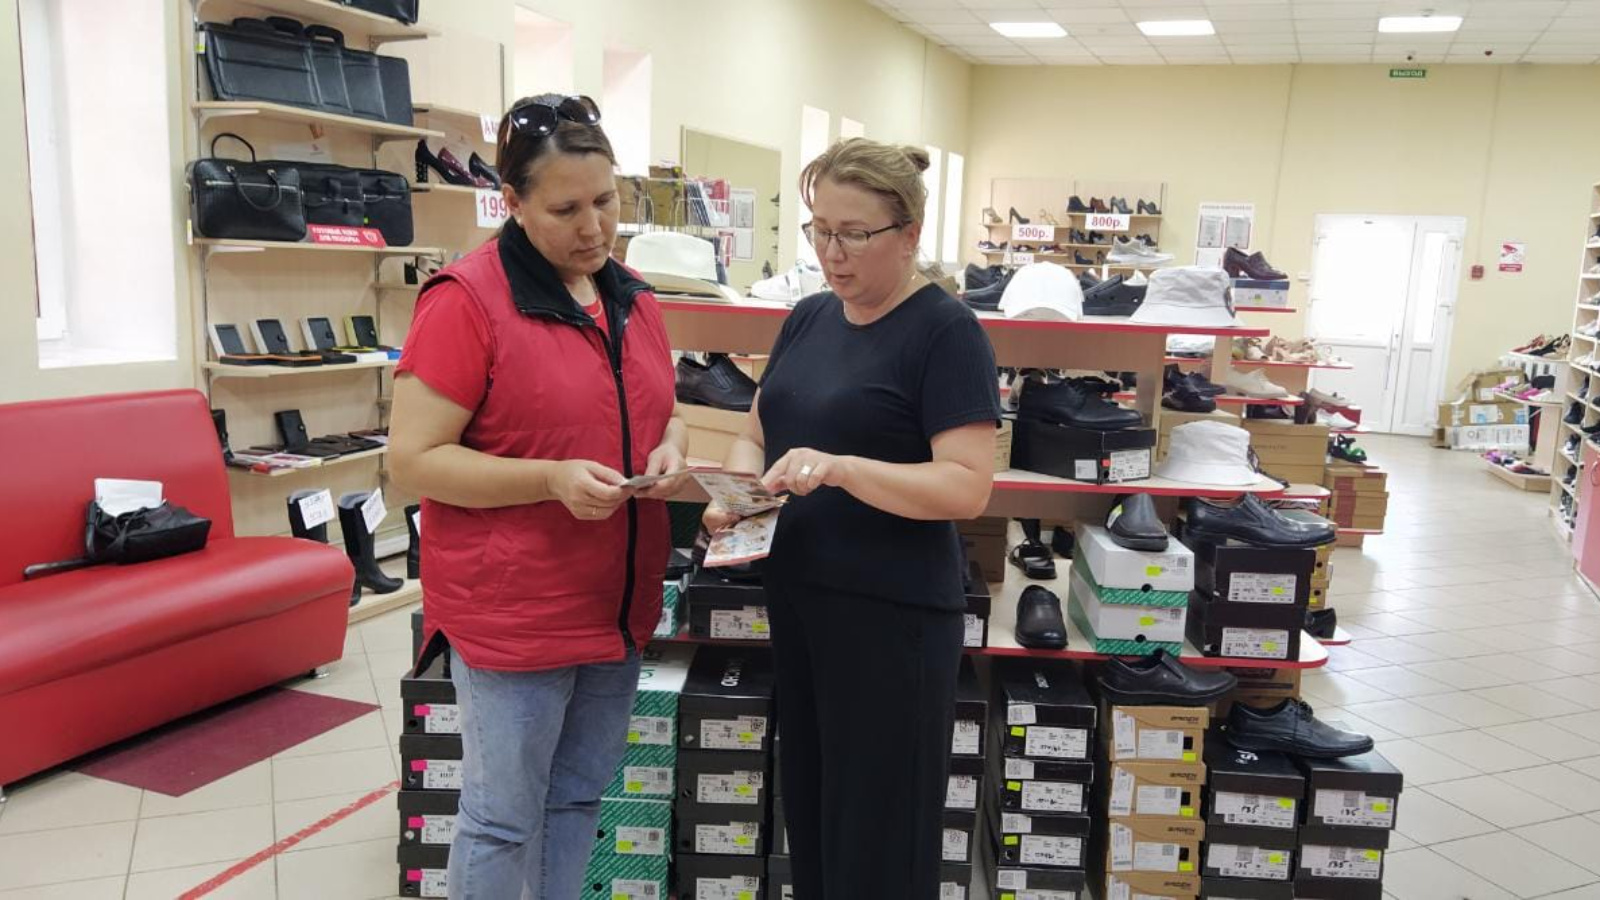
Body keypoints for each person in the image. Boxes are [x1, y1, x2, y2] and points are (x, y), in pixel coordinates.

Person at [387, 93, 688, 900]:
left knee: (577, 798)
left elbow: (662, 411)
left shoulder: (632, 295)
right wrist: (547, 480)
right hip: (515, 613)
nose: (595, 228)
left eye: (606, 201)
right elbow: (412, 461)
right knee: (501, 819)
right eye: (565, 210)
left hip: (614, 606)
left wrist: (671, 446)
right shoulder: (465, 301)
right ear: (512, 203)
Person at [703, 137, 1001, 897]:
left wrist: (843, 470)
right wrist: (736, 495)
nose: (832, 253)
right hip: (801, 603)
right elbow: (755, 432)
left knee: (879, 840)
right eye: (820, 230)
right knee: (814, 819)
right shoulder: (808, 319)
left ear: (908, 235)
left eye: (854, 235)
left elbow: (968, 487)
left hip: (892, 620)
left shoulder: (946, 333)